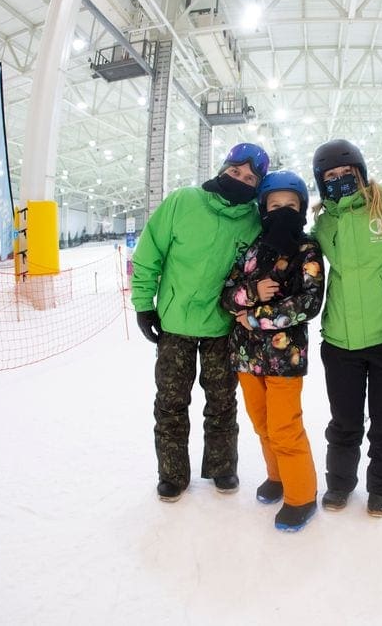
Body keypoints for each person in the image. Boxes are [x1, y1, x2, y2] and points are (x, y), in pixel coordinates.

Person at [132, 143, 270, 502]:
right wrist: (144, 304)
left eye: (249, 178)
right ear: (223, 168)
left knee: (223, 402)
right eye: (235, 171)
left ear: (257, 186)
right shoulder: (183, 202)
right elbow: (149, 254)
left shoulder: (254, 221)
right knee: (171, 402)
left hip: (223, 329)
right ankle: (173, 475)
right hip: (175, 325)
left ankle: (222, 467)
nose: (239, 180)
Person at [310, 139, 382, 518]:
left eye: (347, 172)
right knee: (343, 423)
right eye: (331, 175)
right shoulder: (325, 222)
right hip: (340, 341)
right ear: (321, 181)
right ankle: (340, 485)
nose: (340, 179)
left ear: (360, 171)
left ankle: (381, 489)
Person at [220, 170, 325, 532]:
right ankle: (277, 476)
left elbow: (308, 303)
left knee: (284, 427)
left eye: (290, 205)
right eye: (275, 205)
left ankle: (301, 495)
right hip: (247, 359)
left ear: (301, 209)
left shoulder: (306, 249)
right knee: (262, 424)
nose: (282, 211)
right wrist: (251, 295)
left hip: (284, 358)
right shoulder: (252, 250)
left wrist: (257, 317)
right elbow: (227, 294)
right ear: (263, 209)